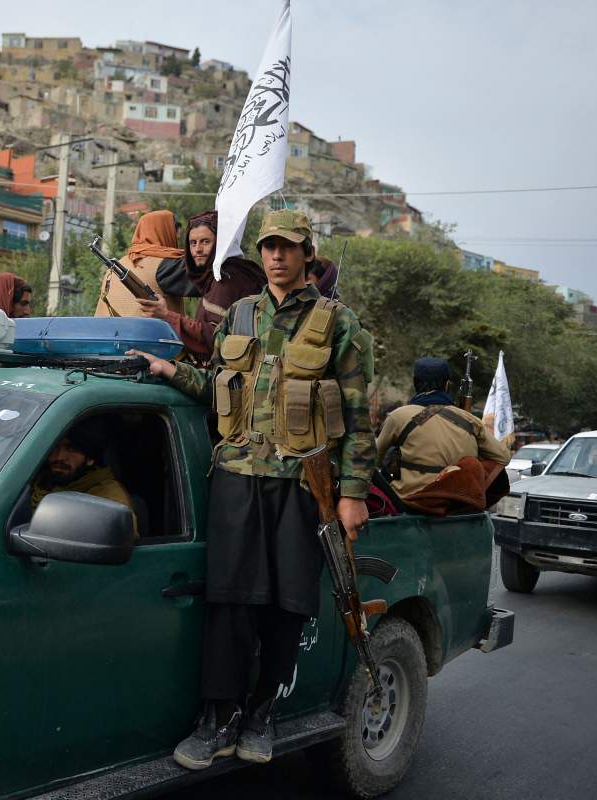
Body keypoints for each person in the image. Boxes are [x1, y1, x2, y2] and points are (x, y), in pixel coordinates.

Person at [130, 209, 375, 770]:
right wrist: (170, 372)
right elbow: (216, 384)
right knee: (229, 602)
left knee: (288, 605)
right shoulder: (240, 313)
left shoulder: (338, 322)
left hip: (301, 481)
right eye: (268, 247)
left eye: (287, 247)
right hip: (237, 475)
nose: (276, 256)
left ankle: (261, 714)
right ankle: (217, 718)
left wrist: (354, 493)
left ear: (307, 252)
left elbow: (359, 416)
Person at [138, 211, 266, 362]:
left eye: (205, 242)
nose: (197, 249)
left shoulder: (227, 279)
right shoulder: (216, 275)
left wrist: (167, 315)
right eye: (193, 243)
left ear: (220, 243)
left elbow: (212, 338)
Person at [377, 357, 512, 497]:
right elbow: (503, 457)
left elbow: (374, 458)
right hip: (458, 501)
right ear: (447, 385)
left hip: (407, 500)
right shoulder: (470, 420)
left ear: (415, 383)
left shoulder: (398, 416)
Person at [30, 418, 137, 536]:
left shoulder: (109, 500)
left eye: (71, 449)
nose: (59, 457)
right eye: (55, 447)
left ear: (90, 458)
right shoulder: (36, 482)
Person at [94, 209, 187, 318]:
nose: (176, 245)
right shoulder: (167, 265)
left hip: (112, 329)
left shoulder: (117, 266)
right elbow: (202, 284)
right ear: (165, 234)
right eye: (175, 238)